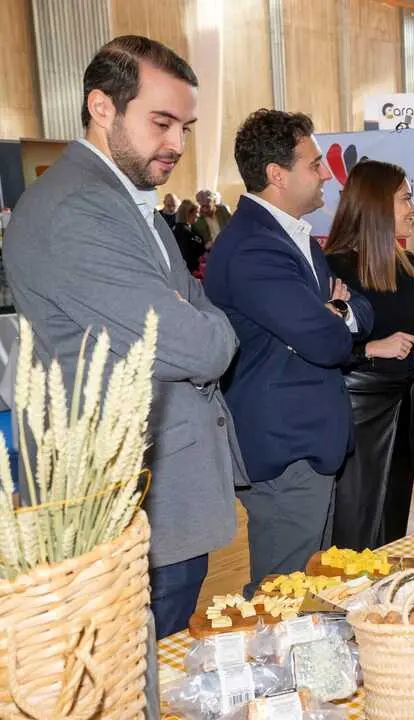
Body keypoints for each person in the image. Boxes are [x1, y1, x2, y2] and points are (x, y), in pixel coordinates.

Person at [4, 35, 245, 639]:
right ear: (102, 106)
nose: (177, 145)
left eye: (186, 127)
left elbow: (195, 315)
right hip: (119, 501)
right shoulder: (78, 208)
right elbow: (202, 345)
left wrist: (193, 316)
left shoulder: (125, 201)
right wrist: (198, 322)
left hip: (155, 496)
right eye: (162, 122)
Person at [203, 109, 374, 596]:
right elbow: (325, 340)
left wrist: (336, 310)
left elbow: (356, 307)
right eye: (314, 163)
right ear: (277, 175)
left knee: (309, 590)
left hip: (305, 444)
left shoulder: (291, 237)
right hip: (285, 449)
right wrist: (337, 315)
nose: (325, 173)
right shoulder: (256, 248)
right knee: (282, 598)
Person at [323, 159, 414, 549]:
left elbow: (404, 324)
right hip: (358, 413)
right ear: (376, 205)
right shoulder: (334, 266)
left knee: (393, 523)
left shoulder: (408, 265)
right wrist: (372, 348)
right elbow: (320, 344)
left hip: (402, 405)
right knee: (354, 527)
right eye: (406, 199)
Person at [172, 198, 205, 273]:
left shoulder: (181, 229)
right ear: (189, 214)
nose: (198, 215)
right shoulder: (184, 233)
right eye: (197, 212)